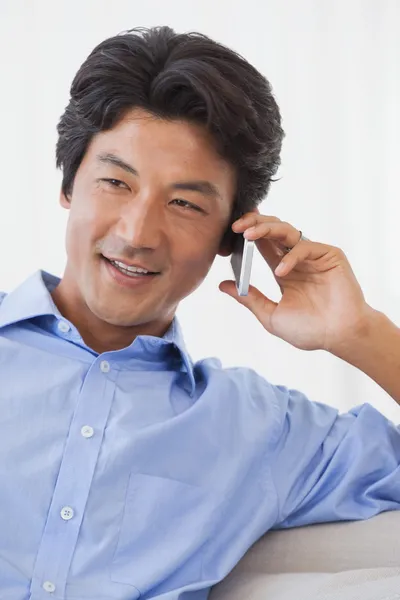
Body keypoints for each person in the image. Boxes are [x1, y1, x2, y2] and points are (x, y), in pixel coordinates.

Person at [1, 25, 399, 600]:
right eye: (116, 182)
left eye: (185, 203)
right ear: (69, 183)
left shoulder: (260, 430)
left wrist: (360, 333)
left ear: (229, 237)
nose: (137, 234)